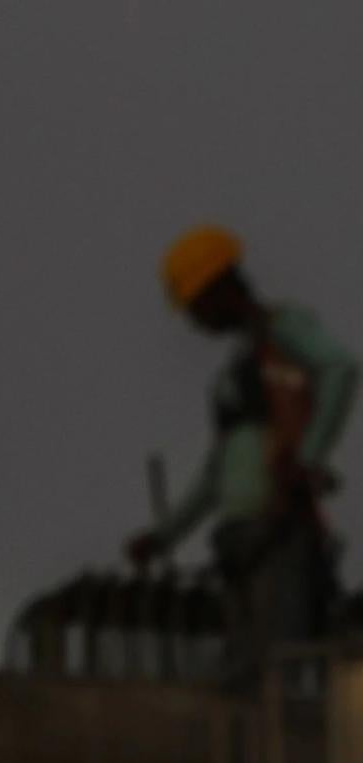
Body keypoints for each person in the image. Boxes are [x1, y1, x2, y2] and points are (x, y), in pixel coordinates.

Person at [125, 225, 356, 681]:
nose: (195, 321)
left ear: (222, 288)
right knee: (245, 670)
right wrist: (165, 535)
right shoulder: (241, 368)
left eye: (197, 307)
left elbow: (340, 369)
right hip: (241, 540)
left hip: (281, 528)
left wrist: (308, 458)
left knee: (278, 664)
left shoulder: (284, 329)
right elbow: (218, 470)